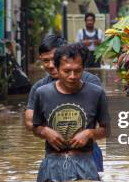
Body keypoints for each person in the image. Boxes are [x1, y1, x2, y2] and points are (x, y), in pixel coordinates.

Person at [24, 34, 104, 171]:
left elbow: (105, 124)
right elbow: (29, 121)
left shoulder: (91, 83)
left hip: (88, 154)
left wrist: (88, 133)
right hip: (54, 154)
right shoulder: (39, 88)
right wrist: (45, 131)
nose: (50, 65)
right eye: (45, 61)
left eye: (53, 59)